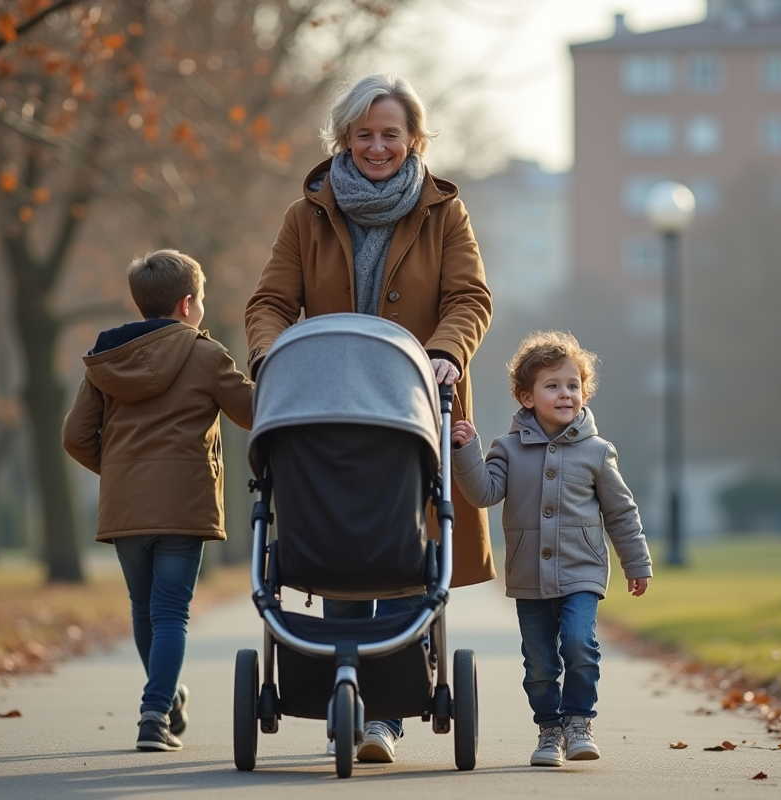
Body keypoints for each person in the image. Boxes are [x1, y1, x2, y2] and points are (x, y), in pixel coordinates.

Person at [244, 73, 495, 763]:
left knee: (405, 548)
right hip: (325, 406)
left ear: (413, 139)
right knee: (337, 540)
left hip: (412, 405)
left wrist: (445, 353)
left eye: (391, 134)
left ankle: (384, 714)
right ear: (344, 140)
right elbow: (269, 302)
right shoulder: (308, 214)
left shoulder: (446, 211)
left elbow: (469, 296)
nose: (378, 146)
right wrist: (271, 356)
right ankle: (348, 697)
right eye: (365, 135)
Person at [62, 249, 254, 752]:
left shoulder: (105, 361)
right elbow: (252, 412)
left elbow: (76, 436)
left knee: (146, 610)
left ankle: (164, 699)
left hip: (126, 507)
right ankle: (154, 716)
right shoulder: (206, 355)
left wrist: (124, 473)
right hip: (184, 504)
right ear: (188, 304)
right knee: (171, 612)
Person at [449, 331, 653, 768]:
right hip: (528, 576)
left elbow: (621, 512)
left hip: (583, 570)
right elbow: (483, 493)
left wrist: (636, 563)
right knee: (540, 664)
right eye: (552, 385)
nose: (566, 394)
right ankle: (549, 730)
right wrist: (467, 450)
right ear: (526, 397)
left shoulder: (597, 452)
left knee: (580, 643)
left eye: (573, 385)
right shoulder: (507, 449)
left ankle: (579, 721)